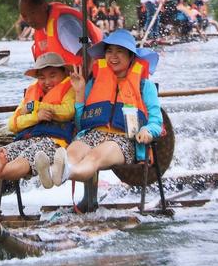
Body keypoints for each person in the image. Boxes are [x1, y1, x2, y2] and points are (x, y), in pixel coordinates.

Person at [34, 30, 162, 190]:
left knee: (94, 157)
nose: (113, 56)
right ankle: (52, 173)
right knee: (73, 152)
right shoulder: (94, 83)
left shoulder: (145, 86)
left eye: (119, 51)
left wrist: (147, 130)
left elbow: (157, 122)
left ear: (131, 56)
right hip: (92, 134)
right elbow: (81, 124)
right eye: (109, 51)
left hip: (123, 140)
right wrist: (80, 92)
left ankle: (62, 173)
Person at [0, 53, 75, 182]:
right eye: (42, 77)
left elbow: (68, 112)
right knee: (6, 152)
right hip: (29, 138)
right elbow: (13, 124)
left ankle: (1, 170)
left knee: (28, 157)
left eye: (53, 75)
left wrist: (38, 106)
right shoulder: (32, 94)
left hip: (54, 142)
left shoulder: (70, 89)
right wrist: (36, 116)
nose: (47, 82)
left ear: (64, 73)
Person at [19, 0, 103, 65]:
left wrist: (85, 81)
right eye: (25, 16)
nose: (29, 20)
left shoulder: (64, 26)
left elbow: (86, 43)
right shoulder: (43, 27)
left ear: (44, 6)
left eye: (33, 13)